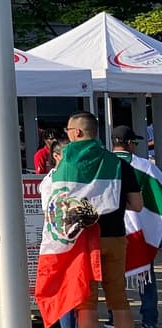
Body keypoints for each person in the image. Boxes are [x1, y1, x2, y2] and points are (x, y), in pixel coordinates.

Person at [36, 113, 141, 328]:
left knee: (86, 302)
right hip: (115, 239)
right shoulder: (119, 165)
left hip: (83, 242)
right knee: (118, 298)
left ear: (77, 132)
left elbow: (53, 200)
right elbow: (137, 204)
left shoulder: (66, 166)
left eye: (68, 130)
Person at [108, 126, 157, 328]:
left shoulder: (103, 164)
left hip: (111, 230)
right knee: (146, 278)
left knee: (112, 278)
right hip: (139, 230)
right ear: (129, 144)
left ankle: (112, 319)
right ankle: (149, 320)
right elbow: (157, 199)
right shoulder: (144, 166)